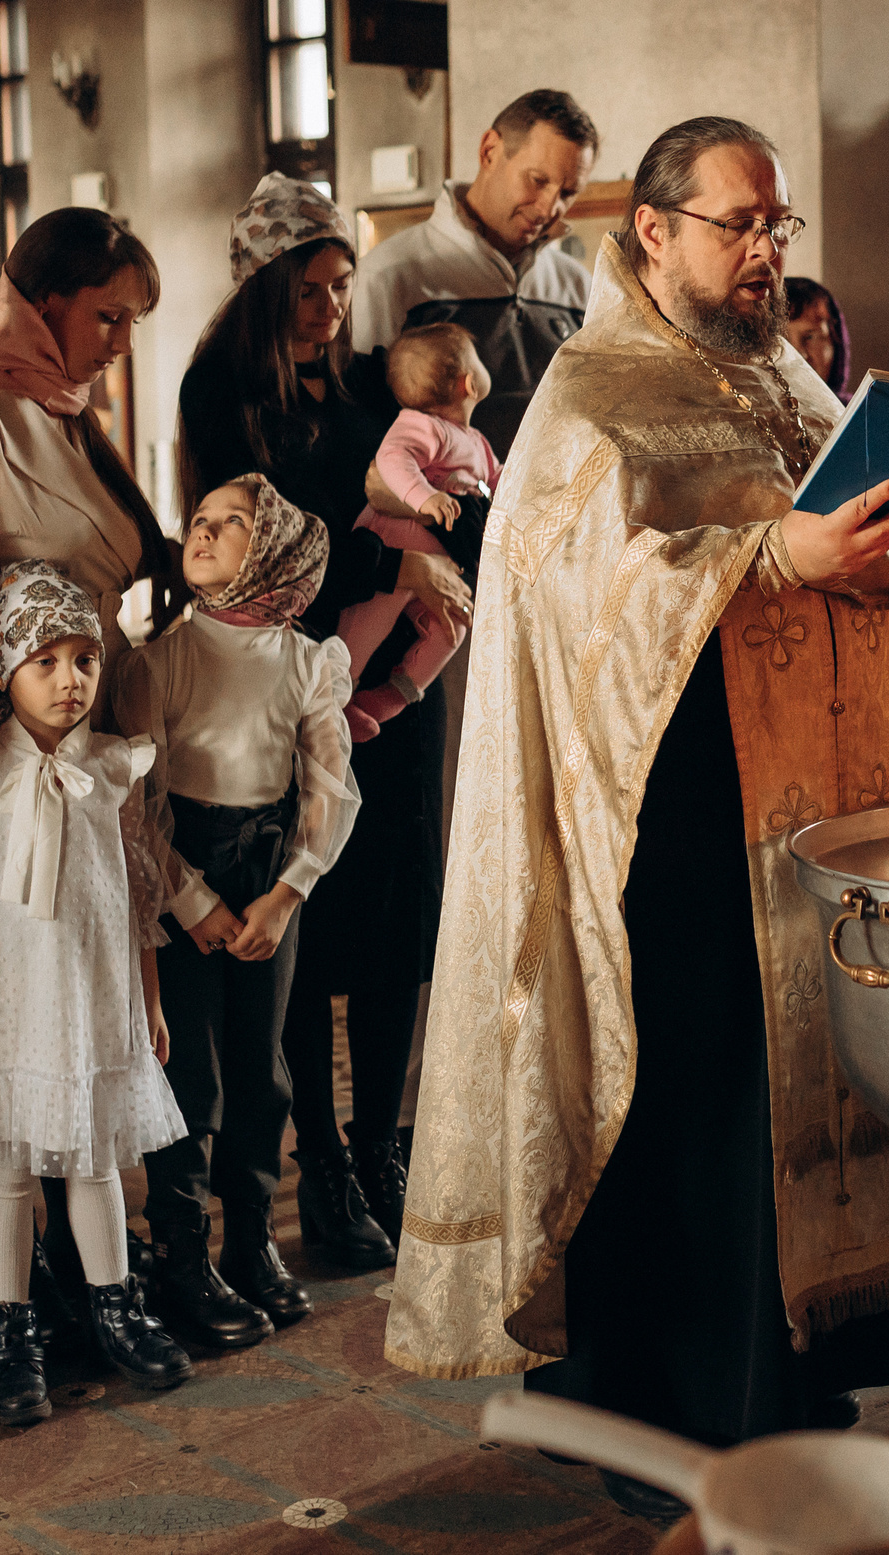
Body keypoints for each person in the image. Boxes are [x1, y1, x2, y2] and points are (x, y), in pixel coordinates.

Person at [383, 117, 889, 1522]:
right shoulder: (592, 394)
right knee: (693, 1100)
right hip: (668, 824)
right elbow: (582, 591)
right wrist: (776, 549)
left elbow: (875, 568)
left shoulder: (779, 376)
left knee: (799, 1088)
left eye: (776, 225)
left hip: (814, 802)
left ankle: (784, 1370)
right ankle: (662, 1399)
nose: (769, 250)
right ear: (653, 230)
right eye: (740, 223)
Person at [0, 207, 181, 1328]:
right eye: (108, 316)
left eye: (130, 321)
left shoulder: (61, 413)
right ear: (45, 299)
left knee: (95, 1009)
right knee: (10, 1023)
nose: (118, 341)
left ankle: (93, 1274)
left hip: (95, 746)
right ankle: (18, 1296)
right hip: (2, 776)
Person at [182, 172, 471, 1272]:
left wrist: (429, 548)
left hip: (398, 685)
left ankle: (383, 1145)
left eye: (343, 285)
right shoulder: (220, 392)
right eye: (310, 288)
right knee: (303, 922)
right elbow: (253, 537)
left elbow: (428, 478)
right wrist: (390, 551)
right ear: (264, 284)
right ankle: (324, 1165)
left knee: (397, 925)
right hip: (282, 682)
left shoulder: (362, 380)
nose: (331, 309)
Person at [0, 561, 194, 1422]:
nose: (70, 680)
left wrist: (149, 999)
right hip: (8, 1003)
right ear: (2, 671)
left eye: (85, 660)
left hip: (96, 997)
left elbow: (142, 898)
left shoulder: (115, 767)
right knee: (6, 1169)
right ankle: (9, 1331)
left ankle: (115, 1304)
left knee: (99, 1160)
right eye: (47, 662)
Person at [114, 476, 361, 1345]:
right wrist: (188, 898)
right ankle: (184, 1252)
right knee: (188, 1065)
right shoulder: (162, 661)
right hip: (180, 867)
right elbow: (136, 800)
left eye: (234, 524)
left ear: (280, 552)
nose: (206, 532)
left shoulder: (306, 661)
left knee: (263, 1064)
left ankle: (252, 1239)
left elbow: (329, 787)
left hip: (266, 871)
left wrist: (289, 890)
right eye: (201, 521)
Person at [350, 87, 601, 454]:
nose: (550, 208)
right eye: (538, 180)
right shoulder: (391, 275)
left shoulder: (578, 286)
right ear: (489, 151)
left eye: (567, 192)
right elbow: (365, 425)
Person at [336, 323, 501, 739]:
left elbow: (500, 482)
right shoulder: (422, 425)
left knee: (453, 627)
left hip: (439, 563)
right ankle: (334, 698)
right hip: (392, 543)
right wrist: (424, 497)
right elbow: (392, 459)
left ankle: (384, 700)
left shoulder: (477, 442)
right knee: (364, 628)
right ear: (469, 382)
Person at [781, 276, 852, 397]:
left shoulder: (865, 414)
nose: (800, 355)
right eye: (782, 341)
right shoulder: (743, 414)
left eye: (811, 337)